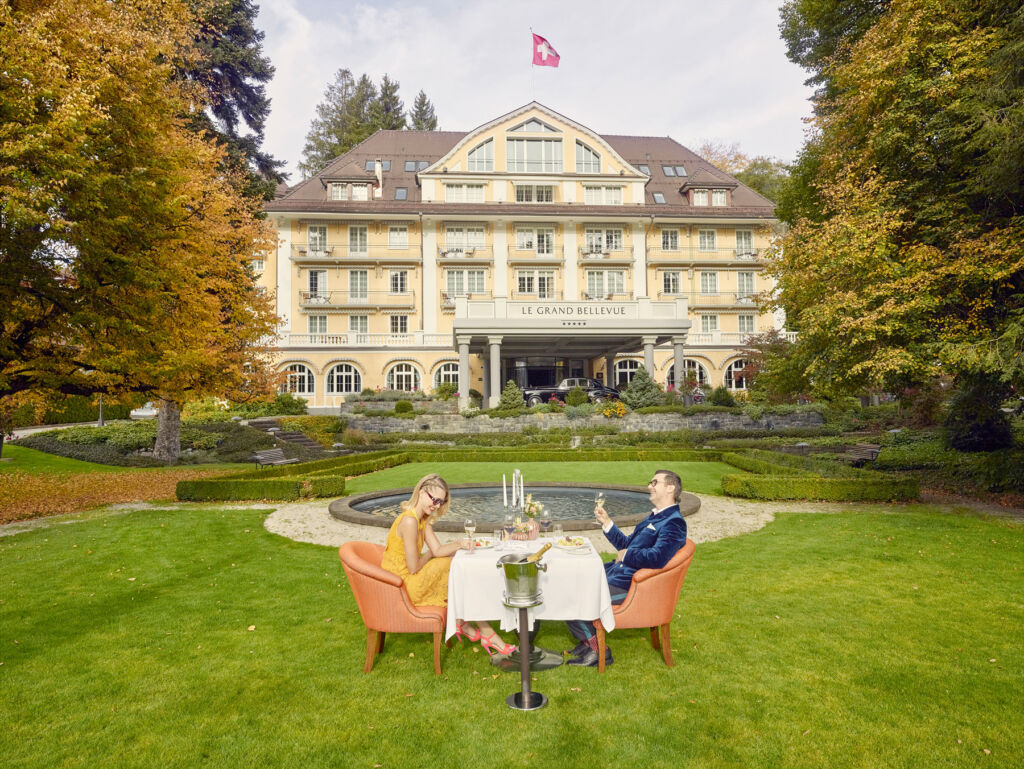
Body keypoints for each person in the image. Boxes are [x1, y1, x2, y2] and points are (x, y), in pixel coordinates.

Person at [381, 473, 514, 656]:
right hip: (401, 586)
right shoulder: (410, 521)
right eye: (434, 499)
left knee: (456, 565)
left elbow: (438, 549)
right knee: (454, 568)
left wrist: (459, 544)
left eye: (440, 502)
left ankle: (470, 625)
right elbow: (415, 566)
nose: (436, 506)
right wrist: (431, 554)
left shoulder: (422, 520)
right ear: (421, 492)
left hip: (407, 579)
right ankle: (475, 627)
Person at [565, 469, 687, 667]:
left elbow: (658, 558)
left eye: (655, 483)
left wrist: (627, 555)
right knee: (574, 580)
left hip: (631, 586)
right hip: (618, 574)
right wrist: (607, 523)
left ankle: (598, 650)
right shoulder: (654, 518)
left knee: (575, 597)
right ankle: (587, 641)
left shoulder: (674, 523)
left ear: (670, 488)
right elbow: (626, 544)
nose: (650, 486)